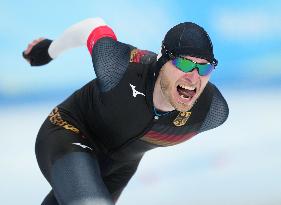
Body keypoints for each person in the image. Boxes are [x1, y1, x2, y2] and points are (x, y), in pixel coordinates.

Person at [23, 17, 229, 205]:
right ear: (162, 61)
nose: (193, 78)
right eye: (184, 63)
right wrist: (49, 50)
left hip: (119, 166)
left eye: (204, 67)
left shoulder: (212, 111)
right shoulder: (120, 67)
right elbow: (92, 26)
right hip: (69, 133)